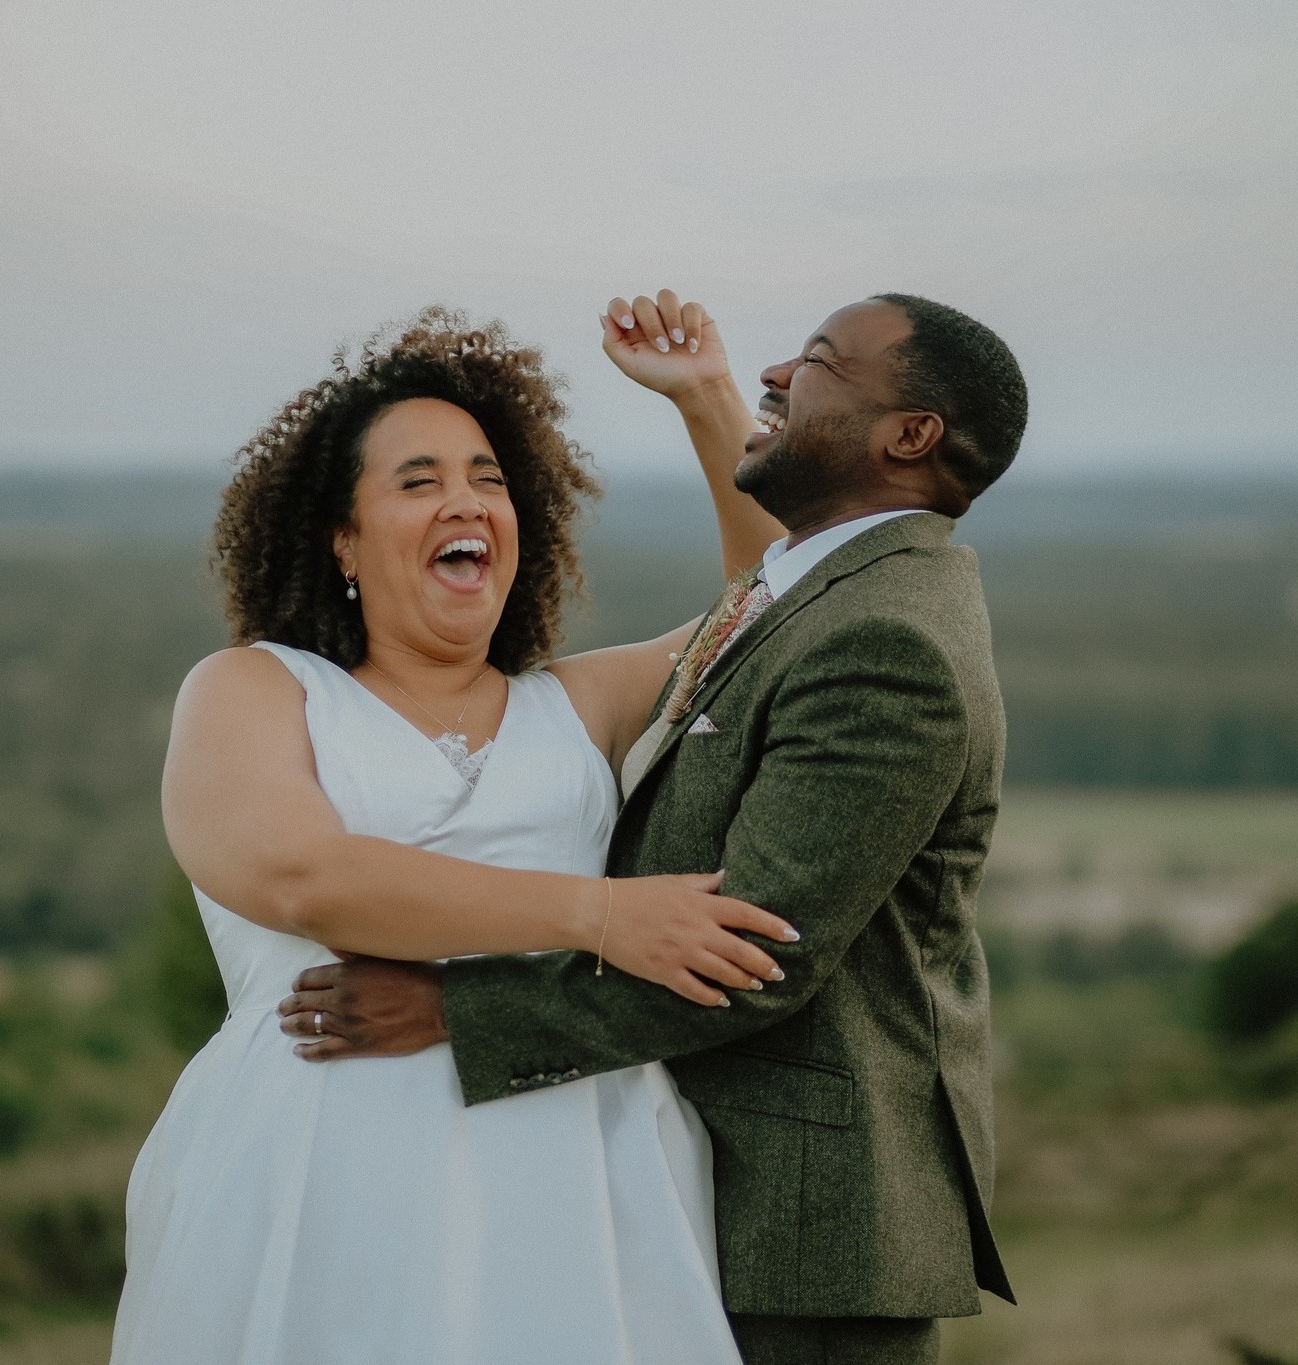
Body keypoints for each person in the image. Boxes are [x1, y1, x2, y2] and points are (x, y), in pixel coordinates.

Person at [281, 291, 1030, 1364]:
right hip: (669, 1192)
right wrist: (704, 397)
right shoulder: (816, 591)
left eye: (819, 362)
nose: (778, 373)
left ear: (908, 435)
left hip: (802, 1230)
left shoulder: (885, 641)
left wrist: (451, 1006)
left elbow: (754, 952)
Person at [110, 305, 801, 1365]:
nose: (467, 500)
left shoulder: (579, 704)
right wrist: (603, 916)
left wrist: (707, 400)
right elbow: (306, 879)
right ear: (340, 537)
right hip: (319, 1173)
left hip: (582, 1173)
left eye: (488, 477)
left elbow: (774, 613)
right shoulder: (252, 689)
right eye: (418, 481)